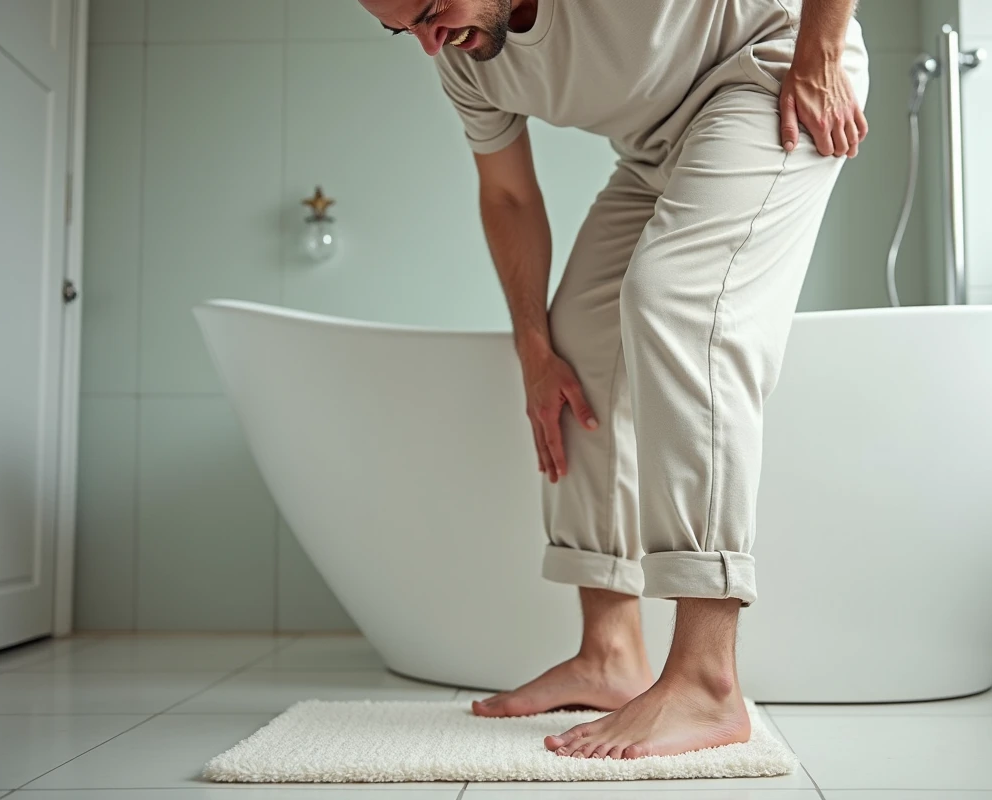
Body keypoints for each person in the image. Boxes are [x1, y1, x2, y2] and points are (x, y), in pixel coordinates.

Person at [359, 0, 869, 760]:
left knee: (677, 298)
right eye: (404, 31)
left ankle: (706, 681)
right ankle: (610, 654)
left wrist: (820, 48)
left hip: (772, 71)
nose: (432, 47)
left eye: (433, 12)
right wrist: (533, 346)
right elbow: (507, 195)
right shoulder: (468, 60)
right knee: (574, 345)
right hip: (656, 152)